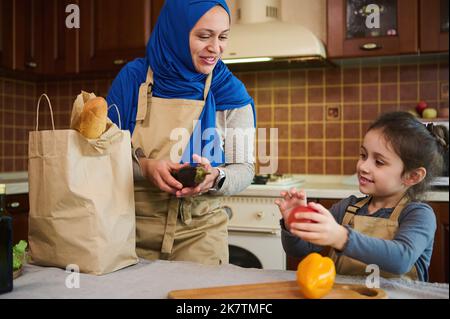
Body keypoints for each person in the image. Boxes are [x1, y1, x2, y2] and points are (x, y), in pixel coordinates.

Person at [106, 0, 256, 265]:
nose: (215, 48)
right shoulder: (133, 79)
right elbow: (102, 156)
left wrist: (216, 178)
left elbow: (244, 167)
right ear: (175, 30)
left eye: (223, 37)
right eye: (203, 36)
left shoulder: (230, 91)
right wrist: (146, 167)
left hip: (201, 233)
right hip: (128, 232)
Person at [276, 112, 449, 281]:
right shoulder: (346, 208)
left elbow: (401, 259)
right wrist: (293, 223)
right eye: (363, 155)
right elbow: (299, 251)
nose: (363, 166)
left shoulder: (418, 214)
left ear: (412, 176)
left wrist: (341, 237)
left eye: (379, 162)